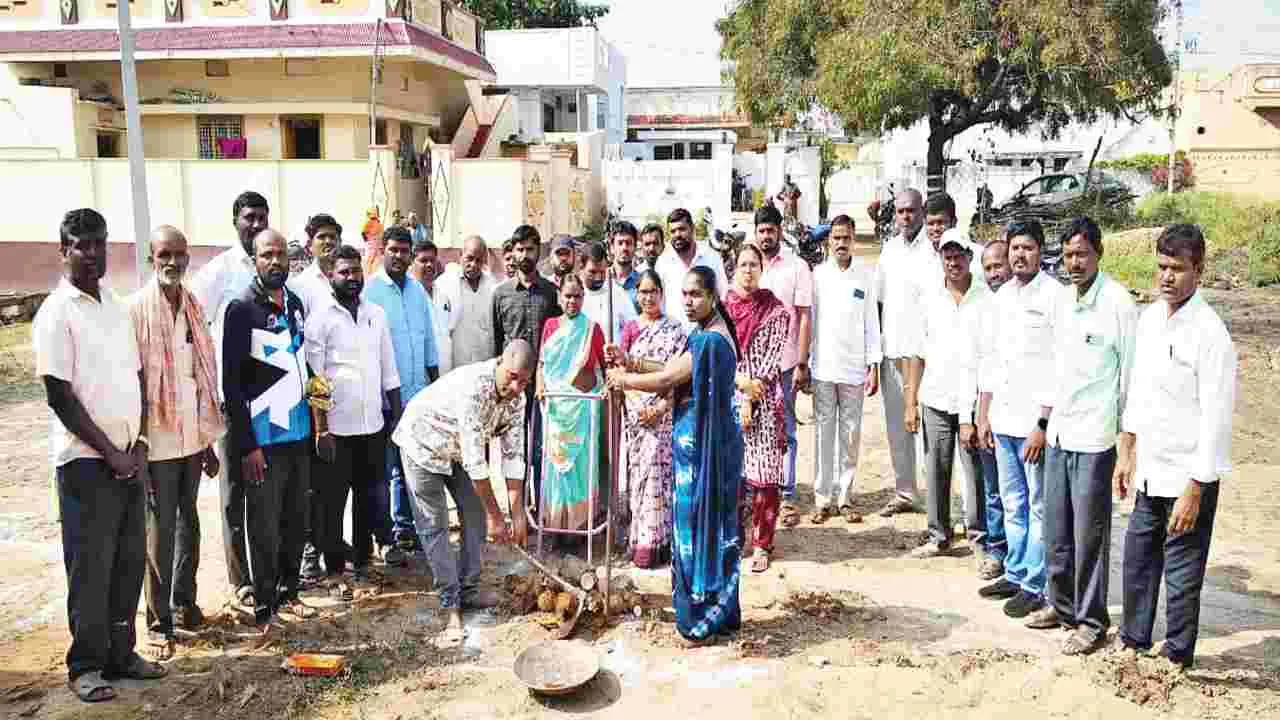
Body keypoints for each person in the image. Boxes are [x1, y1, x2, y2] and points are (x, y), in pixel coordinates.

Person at [35, 209, 167, 703]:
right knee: (90, 566)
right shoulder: (56, 312)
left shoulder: (115, 304)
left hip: (128, 458)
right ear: (63, 250)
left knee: (128, 561)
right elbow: (59, 395)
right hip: (85, 463)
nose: (91, 253)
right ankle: (86, 664)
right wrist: (109, 451)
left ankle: (121, 652)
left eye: (98, 244)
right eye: (80, 245)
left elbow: (134, 377)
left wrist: (137, 446)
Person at [1116, 224, 1236, 670]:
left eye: (1178, 269)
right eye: (1162, 266)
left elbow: (1216, 420)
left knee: (1183, 573)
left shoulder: (1211, 335)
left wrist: (1196, 487)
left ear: (1199, 271)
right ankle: (1133, 640)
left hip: (1188, 477)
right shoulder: (1149, 320)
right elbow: (1139, 392)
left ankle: (1177, 654)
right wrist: (1127, 449)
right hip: (1149, 468)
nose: (1167, 277)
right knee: (1137, 561)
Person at [1019, 217, 1138, 654]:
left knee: (1090, 536)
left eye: (1081, 254)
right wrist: (1044, 423)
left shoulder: (1119, 304)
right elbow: (1054, 370)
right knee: (1057, 530)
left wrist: (1127, 444)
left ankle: (1091, 621)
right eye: (1068, 255)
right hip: (1060, 435)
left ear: (1098, 254)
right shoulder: (1062, 302)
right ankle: (1062, 605)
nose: (1074, 263)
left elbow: (1129, 377)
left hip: (1095, 438)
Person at [607, 267, 744, 644]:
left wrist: (625, 380)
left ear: (713, 297)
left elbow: (668, 380)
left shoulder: (710, 341)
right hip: (703, 446)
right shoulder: (704, 334)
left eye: (696, 294)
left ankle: (700, 619)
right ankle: (723, 611)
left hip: (706, 451)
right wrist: (632, 362)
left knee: (701, 527)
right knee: (714, 526)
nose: (688, 301)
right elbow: (673, 370)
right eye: (684, 294)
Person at [392, 341, 534, 644]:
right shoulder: (474, 388)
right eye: (511, 376)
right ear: (500, 362)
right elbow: (475, 462)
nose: (516, 386)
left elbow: (513, 457)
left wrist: (517, 512)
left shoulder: (517, 399)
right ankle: (450, 603)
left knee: (474, 516)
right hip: (423, 443)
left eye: (524, 380)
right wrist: (498, 517)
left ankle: (469, 590)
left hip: (455, 451)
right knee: (435, 527)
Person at [130, 226, 224, 662]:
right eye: (164, 254)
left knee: (190, 523)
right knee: (159, 532)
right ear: (152, 259)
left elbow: (200, 377)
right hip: (157, 442)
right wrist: (139, 446)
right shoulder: (136, 311)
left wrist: (207, 441)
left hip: (190, 439)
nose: (173, 262)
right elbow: (135, 385)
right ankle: (158, 622)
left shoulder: (192, 305)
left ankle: (184, 603)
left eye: (180, 255)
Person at [222, 229, 316, 635]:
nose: (275, 262)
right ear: (255, 259)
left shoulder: (294, 303)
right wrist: (247, 446)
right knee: (265, 526)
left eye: (281, 255)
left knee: (297, 520)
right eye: (267, 255)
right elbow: (232, 384)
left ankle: (289, 591)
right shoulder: (241, 309)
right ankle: (265, 606)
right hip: (264, 439)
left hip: (298, 433)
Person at [189, 190, 269, 613]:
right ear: (235, 221)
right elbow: (193, 319)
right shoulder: (221, 271)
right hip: (231, 399)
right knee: (233, 492)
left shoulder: (274, 266)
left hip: (269, 403)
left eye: (262, 218)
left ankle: (268, 573)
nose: (255, 225)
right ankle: (242, 581)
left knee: (264, 490)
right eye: (249, 218)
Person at [305, 245, 403, 584]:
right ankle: (334, 567)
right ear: (331, 275)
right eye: (343, 272)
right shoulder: (320, 318)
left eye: (355, 271)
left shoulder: (376, 313)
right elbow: (315, 379)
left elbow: (388, 367)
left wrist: (396, 415)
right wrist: (322, 430)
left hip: (373, 425)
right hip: (337, 429)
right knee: (332, 502)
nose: (351, 278)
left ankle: (362, 560)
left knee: (369, 497)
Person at [975, 219, 1058, 620]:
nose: (1019, 255)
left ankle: (1035, 582)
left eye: (1027, 247)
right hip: (1003, 417)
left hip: (1033, 424)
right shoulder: (1001, 298)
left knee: (1038, 504)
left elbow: (1060, 365)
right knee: (1012, 502)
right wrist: (984, 412)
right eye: (1014, 248)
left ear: (1040, 251)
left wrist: (1043, 423)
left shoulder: (1055, 297)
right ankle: (1015, 569)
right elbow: (991, 359)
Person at [904, 230, 991, 559]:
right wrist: (911, 402)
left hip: (972, 402)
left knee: (975, 473)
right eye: (947, 256)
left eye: (959, 256)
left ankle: (979, 536)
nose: (953, 262)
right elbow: (916, 354)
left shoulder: (985, 299)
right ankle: (938, 534)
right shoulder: (929, 298)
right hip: (936, 398)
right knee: (936, 468)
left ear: (970, 258)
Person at [363, 226, 439, 562]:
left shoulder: (418, 293)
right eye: (392, 250)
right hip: (385, 397)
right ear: (383, 252)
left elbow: (428, 342)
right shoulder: (371, 292)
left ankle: (414, 529)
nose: (398, 256)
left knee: (416, 463)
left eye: (403, 251)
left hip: (418, 394)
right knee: (387, 468)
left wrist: (434, 384)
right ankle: (392, 534)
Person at [607, 270, 687, 568]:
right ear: (636, 295)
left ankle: (662, 544)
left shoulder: (675, 330)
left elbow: (674, 375)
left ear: (662, 294)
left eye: (654, 291)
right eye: (643, 292)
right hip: (636, 413)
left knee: (662, 478)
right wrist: (636, 403)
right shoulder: (629, 330)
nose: (648, 297)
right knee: (638, 477)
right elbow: (621, 374)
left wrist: (661, 407)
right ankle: (640, 542)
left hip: (662, 413)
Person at [808, 215, 880, 524]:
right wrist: (808, 363)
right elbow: (810, 321)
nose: (841, 243)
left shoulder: (866, 275)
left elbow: (872, 323)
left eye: (846, 237)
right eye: (836, 238)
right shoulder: (818, 275)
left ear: (854, 240)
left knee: (850, 434)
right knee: (824, 433)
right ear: (829, 241)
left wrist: (873, 364)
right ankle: (823, 498)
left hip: (853, 368)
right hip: (823, 367)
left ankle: (845, 496)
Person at [723, 244, 790, 574]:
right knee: (732, 475)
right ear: (734, 268)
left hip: (763, 402)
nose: (748, 270)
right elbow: (720, 354)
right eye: (742, 264)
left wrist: (750, 397)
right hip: (728, 397)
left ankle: (762, 543)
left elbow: (771, 359)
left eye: (754, 264)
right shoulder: (723, 308)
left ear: (762, 269)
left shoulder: (774, 310)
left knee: (764, 478)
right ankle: (733, 540)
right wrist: (739, 390)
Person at [492, 225, 562, 508]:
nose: (524, 255)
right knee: (514, 450)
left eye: (530, 249)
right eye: (519, 249)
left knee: (542, 449)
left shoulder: (551, 293)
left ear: (538, 251)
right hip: (512, 387)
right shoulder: (501, 295)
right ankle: (518, 509)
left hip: (544, 385)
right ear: (512, 252)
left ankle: (542, 509)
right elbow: (496, 342)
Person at [754, 204, 813, 528]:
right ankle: (759, 491)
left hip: (787, 362)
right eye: (761, 231)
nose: (766, 236)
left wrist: (803, 361)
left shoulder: (796, 267)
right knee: (754, 429)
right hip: (754, 366)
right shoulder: (749, 266)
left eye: (770, 230)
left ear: (779, 231)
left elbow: (805, 316)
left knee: (786, 430)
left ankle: (787, 496)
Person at [535, 274, 608, 533]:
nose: (572, 301)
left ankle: (579, 525)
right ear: (559, 297)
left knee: (581, 468)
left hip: (583, 410)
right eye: (567, 296)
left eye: (577, 296)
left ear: (583, 298)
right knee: (555, 467)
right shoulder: (551, 326)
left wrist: (600, 392)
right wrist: (540, 386)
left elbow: (603, 369)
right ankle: (555, 523)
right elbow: (542, 364)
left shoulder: (592, 329)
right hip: (555, 410)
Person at [874, 188, 926, 517]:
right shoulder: (889, 250)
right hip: (892, 352)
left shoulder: (933, 252)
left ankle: (935, 497)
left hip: (923, 356)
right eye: (900, 211)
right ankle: (905, 491)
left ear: (921, 212)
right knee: (896, 426)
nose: (905, 216)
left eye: (911, 211)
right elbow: (879, 301)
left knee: (927, 429)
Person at [975, 238, 1013, 579]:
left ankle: (1020, 561)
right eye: (987, 268)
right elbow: (983, 366)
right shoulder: (983, 308)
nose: (994, 274)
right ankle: (997, 551)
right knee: (994, 489)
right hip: (990, 411)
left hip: (1022, 419)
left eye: (998, 265)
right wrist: (979, 414)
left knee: (1020, 495)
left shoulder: (1028, 304)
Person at [653, 208, 729, 327]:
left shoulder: (711, 257)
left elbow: (722, 295)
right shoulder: (663, 262)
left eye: (682, 229)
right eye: (673, 231)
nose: (677, 234)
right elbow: (659, 303)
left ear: (692, 229)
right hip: (674, 334)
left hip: (706, 332)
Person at [440, 235, 498, 368]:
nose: (474, 265)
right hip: (456, 365)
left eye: (479, 260)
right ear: (461, 255)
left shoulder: (492, 285)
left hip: (484, 364)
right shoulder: (445, 284)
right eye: (469, 258)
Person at [579, 240, 638, 342]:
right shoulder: (574, 294)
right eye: (592, 272)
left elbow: (633, 328)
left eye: (602, 272)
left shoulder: (616, 292)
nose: (598, 278)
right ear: (581, 268)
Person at [411, 239, 454, 376]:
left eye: (432, 260)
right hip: (421, 375)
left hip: (445, 373)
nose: (429, 265)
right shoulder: (408, 297)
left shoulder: (443, 295)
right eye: (423, 260)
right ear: (412, 263)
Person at [286, 214, 341, 315]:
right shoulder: (301, 284)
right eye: (322, 237)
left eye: (332, 237)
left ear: (339, 242)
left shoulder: (350, 277)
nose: (328, 241)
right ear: (310, 245)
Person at [610, 221, 643, 310]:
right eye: (620, 243)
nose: (624, 248)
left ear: (635, 247)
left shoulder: (642, 282)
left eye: (628, 243)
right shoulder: (603, 279)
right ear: (612, 248)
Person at [362, 207, 385, 277]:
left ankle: (372, 274)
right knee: (372, 260)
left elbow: (363, 233)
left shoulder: (379, 225)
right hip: (373, 244)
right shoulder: (369, 223)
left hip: (375, 245)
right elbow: (363, 233)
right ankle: (370, 274)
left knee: (375, 261)